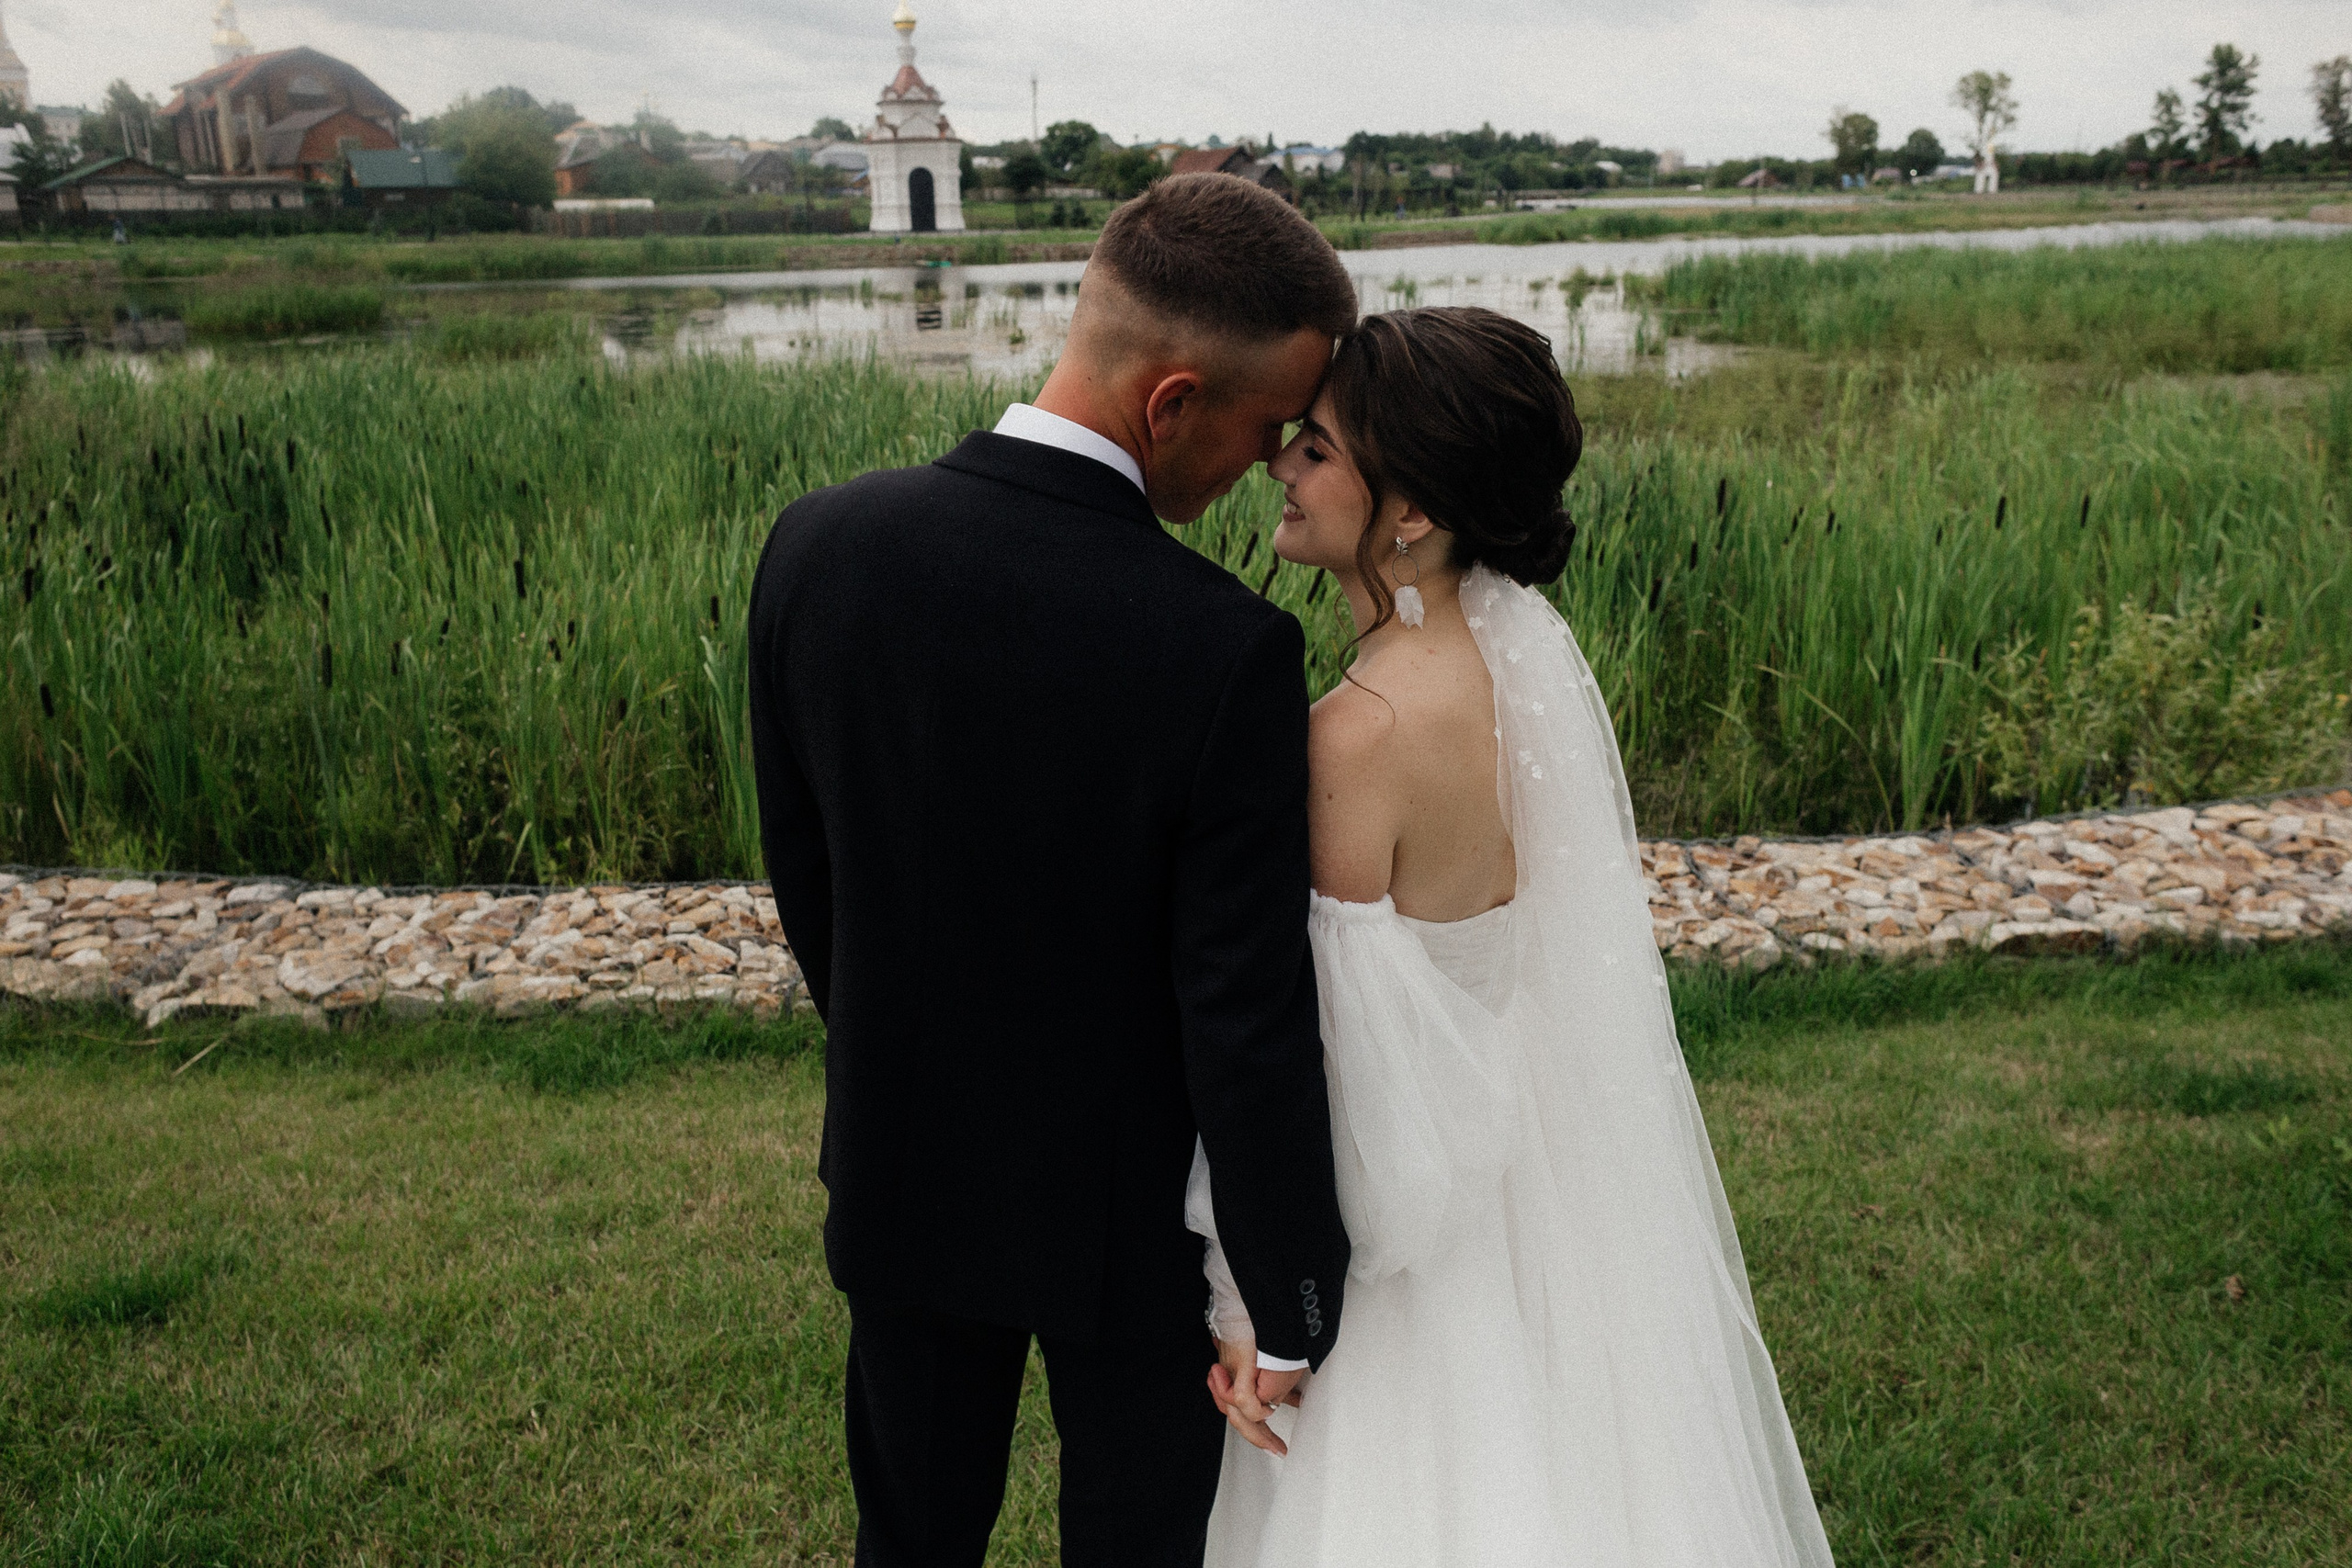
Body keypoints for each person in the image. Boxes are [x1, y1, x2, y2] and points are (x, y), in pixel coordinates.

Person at [745, 173, 1357, 1567]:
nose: (1273, 463)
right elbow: (1241, 1011)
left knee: (909, 1538)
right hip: (1129, 1225)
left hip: (904, 1165)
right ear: (1172, 401)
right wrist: (1289, 1291)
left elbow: (811, 879)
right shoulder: (1224, 648)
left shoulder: (819, 545)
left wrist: (903, 1064)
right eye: (1270, 426)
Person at [1193, 307, 1838, 1566]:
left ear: (1411, 512)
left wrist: (1252, 1300)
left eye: (1315, 450)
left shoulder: (1356, 734)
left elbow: (1323, 1069)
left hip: (1412, 1251)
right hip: (1523, 1194)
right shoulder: (1510, 671)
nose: (1279, 467)